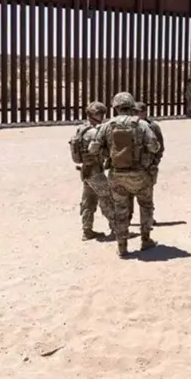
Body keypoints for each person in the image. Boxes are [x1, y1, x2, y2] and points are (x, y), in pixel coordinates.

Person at [88, 92, 160, 258]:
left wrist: (108, 151)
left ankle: (122, 245)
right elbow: (154, 147)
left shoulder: (107, 126)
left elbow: (93, 148)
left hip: (117, 175)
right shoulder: (142, 125)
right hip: (140, 175)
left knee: (120, 209)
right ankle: (146, 239)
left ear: (116, 107)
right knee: (146, 206)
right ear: (131, 106)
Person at [69, 101, 115, 241]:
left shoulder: (81, 129)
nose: (103, 117)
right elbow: (103, 151)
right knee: (107, 199)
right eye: (101, 114)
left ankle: (87, 230)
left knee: (88, 201)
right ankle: (117, 229)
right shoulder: (94, 132)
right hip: (95, 170)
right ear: (96, 115)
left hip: (85, 170)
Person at [132, 101, 165, 226]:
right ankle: (127, 218)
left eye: (138, 112)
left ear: (145, 112)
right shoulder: (130, 125)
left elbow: (160, 147)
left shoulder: (153, 126)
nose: (136, 114)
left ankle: (148, 219)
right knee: (128, 194)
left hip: (148, 165)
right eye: (134, 112)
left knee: (147, 194)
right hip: (132, 165)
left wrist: (155, 162)